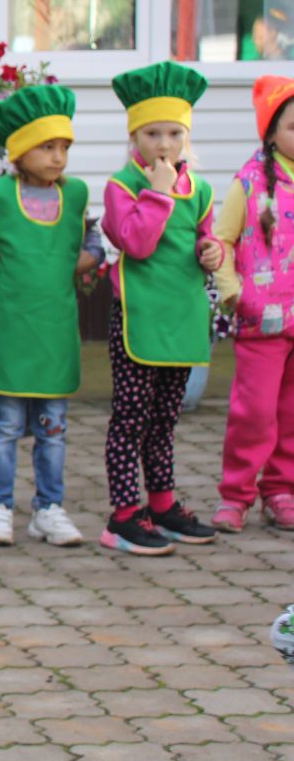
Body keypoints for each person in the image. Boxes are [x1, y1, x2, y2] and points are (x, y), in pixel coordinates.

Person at [0, 84, 100, 549]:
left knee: (54, 429)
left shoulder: (76, 197)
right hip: (12, 332)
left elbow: (93, 244)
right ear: (21, 151)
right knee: (5, 426)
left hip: (54, 334)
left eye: (64, 147)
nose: (58, 157)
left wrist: (86, 259)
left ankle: (49, 508)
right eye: (47, 147)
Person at [99, 60, 223, 556]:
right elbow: (138, 242)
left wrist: (210, 250)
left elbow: (202, 241)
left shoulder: (205, 190)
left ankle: (163, 504)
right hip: (137, 322)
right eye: (152, 133)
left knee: (165, 420)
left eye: (174, 133)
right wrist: (159, 192)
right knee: (130, 419)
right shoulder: (121, 188)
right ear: (135, 137)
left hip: (181, 320)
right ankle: (124, 515)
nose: (164, 144)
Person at [211, 75, 294, 532]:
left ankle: (280, 490)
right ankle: (236, 494)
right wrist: (233, 291)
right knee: (254, 413)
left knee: (290, 414)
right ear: (271, 133)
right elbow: (221, 240)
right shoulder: (250, 182)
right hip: (261, 320)